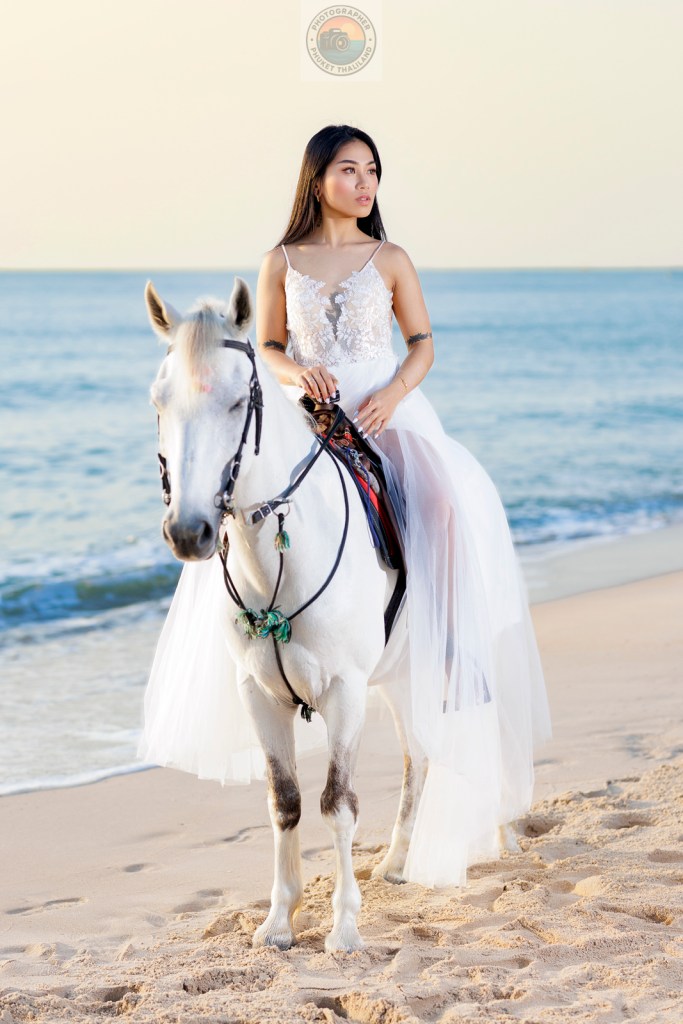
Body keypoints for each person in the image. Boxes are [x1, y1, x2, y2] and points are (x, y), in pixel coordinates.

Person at [139, 123, 551, 887]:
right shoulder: (279, 260)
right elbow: (262, 348)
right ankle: (254, 643)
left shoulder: (389, 258)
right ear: (316, 178)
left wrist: (391, 396)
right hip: (309, 417)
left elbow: (422, 344)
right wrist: (297, 371)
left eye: (371, 172)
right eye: (348, 170)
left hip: (386, 415)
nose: (364, 184)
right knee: (247, 519)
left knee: (443, 508)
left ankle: (449, 653)